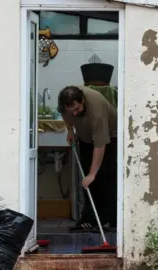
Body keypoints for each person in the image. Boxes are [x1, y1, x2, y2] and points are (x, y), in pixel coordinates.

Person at [58, 85, 118, 231]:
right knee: (87, 181)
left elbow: (100, 145)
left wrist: (93, 174)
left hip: (109, 137)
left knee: (104, 177)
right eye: (71, 111)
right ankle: (89, 218)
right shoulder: (65, 104)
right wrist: (70, 131)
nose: (75, 113)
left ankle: (107, 220)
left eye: (77, 109)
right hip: (85, 138)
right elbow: (65, 115)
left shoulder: (97, 111)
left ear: (83, 100)